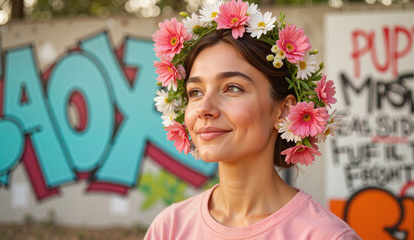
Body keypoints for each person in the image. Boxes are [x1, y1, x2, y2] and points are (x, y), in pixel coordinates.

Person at [146, 1, 361, 239]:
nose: (204, 109)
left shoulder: (325, 236)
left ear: (283, 110)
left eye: (232, 88)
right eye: (195, 92)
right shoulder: (169, 228)